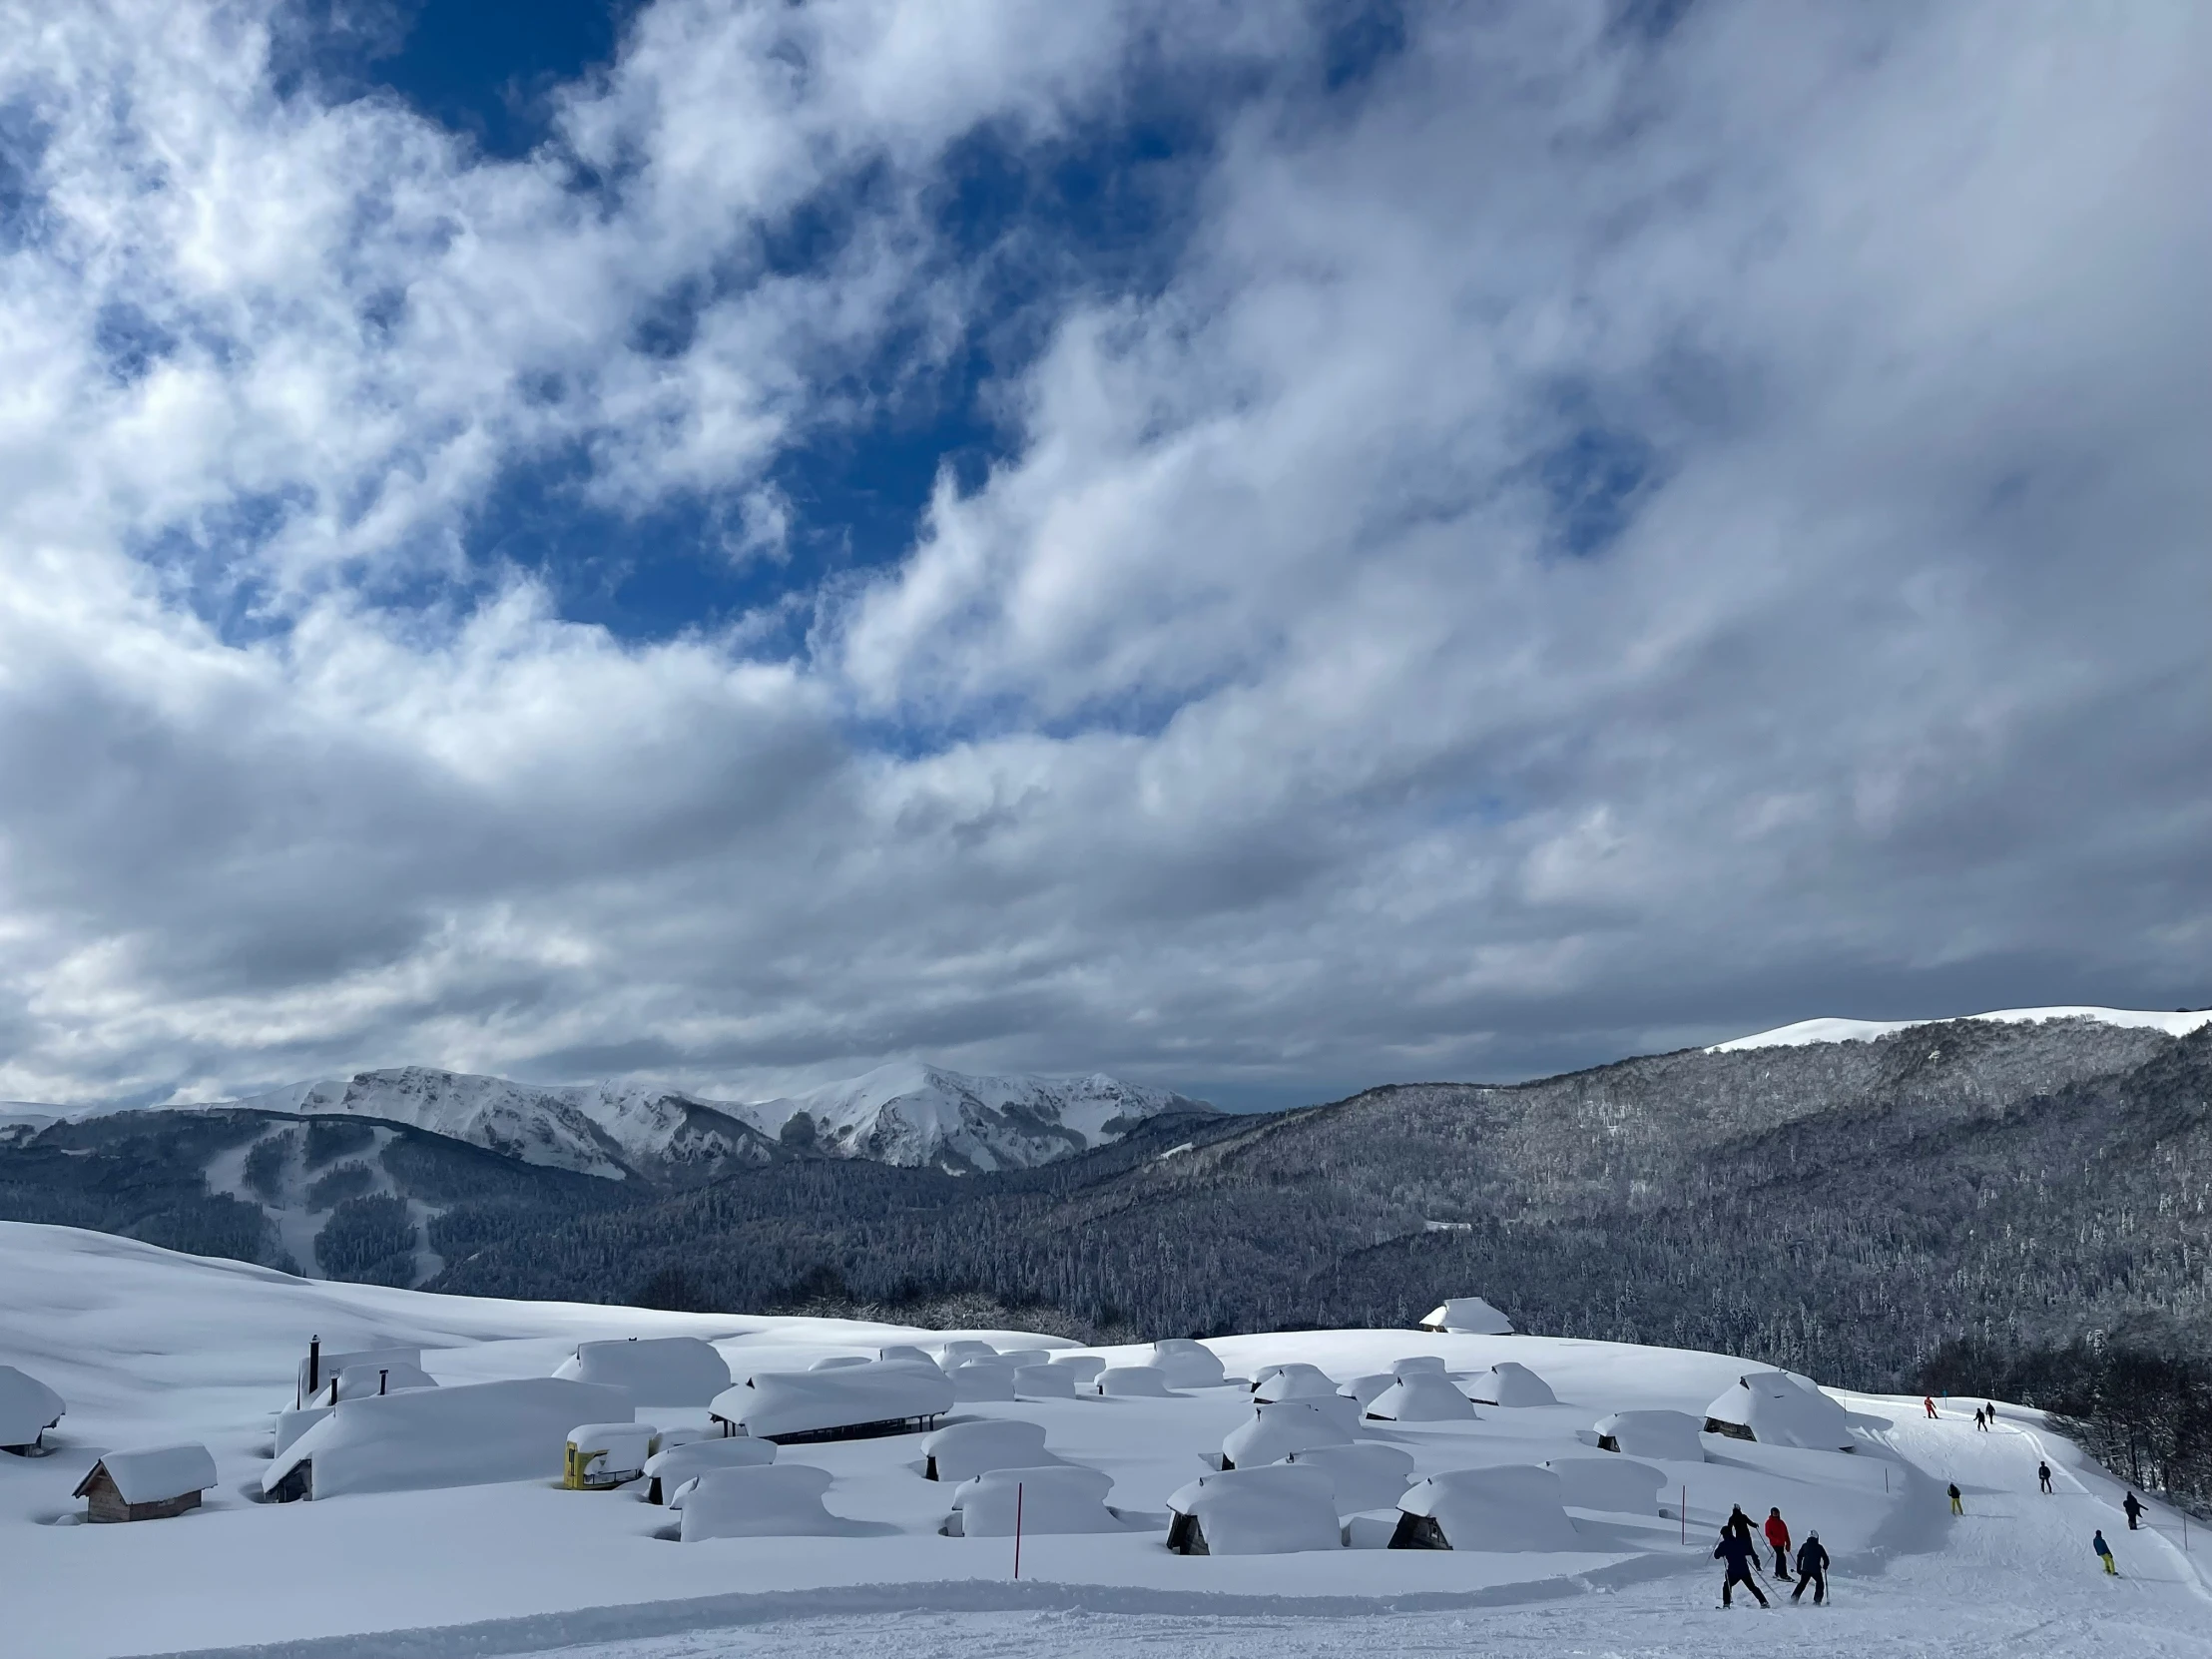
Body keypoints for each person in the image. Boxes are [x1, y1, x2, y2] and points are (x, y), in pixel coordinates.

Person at [1716, 1526, 1769, 1607]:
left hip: (1733, 1571)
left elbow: (1716, 1555)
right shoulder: (1739, 1541)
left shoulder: (1723, 1544)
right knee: (1752, 1587)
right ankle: (1764, 1602)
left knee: (1727, 1586)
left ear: (1723, 1535)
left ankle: (1726, 1604)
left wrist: (1723, 1553)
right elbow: (1748, 1551)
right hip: (1744, 1569)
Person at [1792, 1531, 1830, 1604]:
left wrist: (1798, 1568)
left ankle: (1794, 1599)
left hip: (1805, 1569)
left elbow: (1799, 1556)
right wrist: (1825, 1566)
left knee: (1802, 1584)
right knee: (1820, 1584)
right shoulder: (1819, 1547)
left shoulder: (1804, 1546)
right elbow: (1825, 1558)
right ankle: (1817, 1601)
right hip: (1816, 1570)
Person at [1764, 1507, 1793, 1579]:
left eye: (1777, 1513)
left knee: (1780, 1557)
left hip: (1781, 1543)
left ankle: (1777, 1573)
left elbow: (1786, 1534)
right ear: (1771, 1513)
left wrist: (1788, 1544)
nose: (1776, 1514)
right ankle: (1783, 1574)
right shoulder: (1769, 1522)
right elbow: (1768, 1533)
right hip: (1775, 1543)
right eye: (1774, 1513)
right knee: (1782, 1557)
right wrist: (1775, 1540)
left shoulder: (1781, 1522)